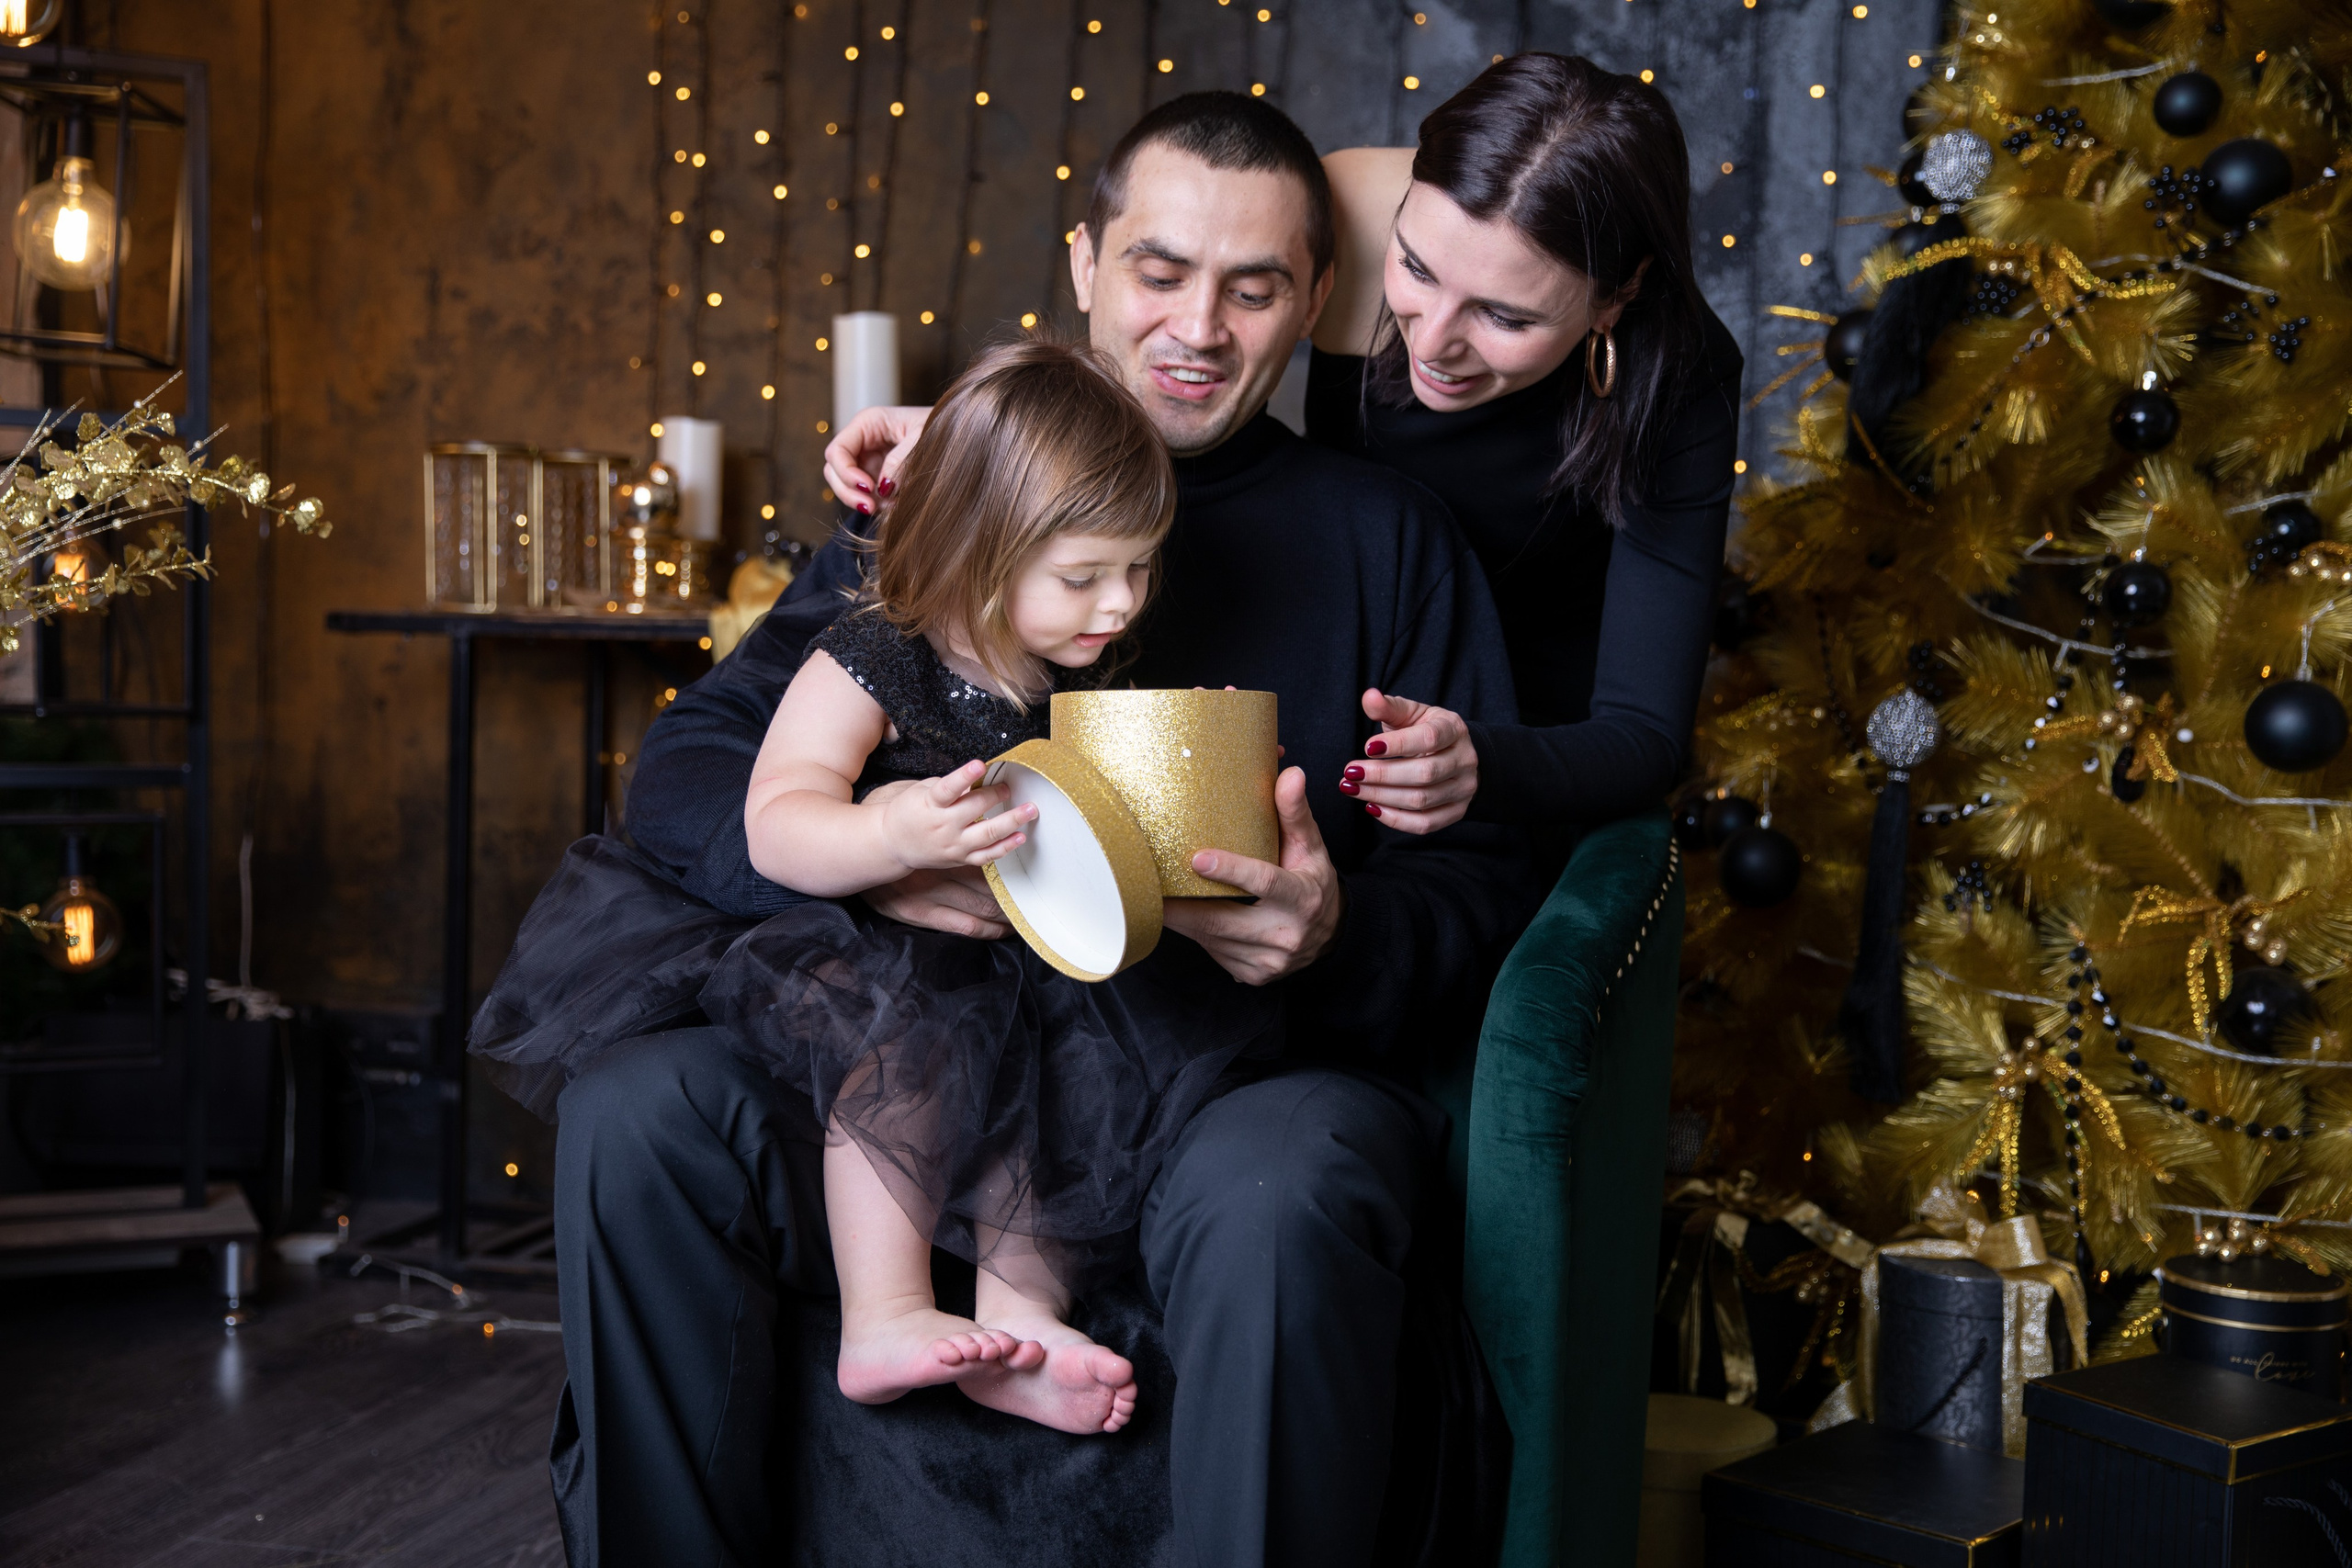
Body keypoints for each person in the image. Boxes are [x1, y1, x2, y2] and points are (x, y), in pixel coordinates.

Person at [476, 90, 1540, 1568]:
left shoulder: (1388, 537)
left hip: (1230, 1068)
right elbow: (699, 766)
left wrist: (1335, 932)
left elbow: (1485, 876)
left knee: (1288, 1186)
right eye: (1161, 272)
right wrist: (884, 867)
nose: (1199, 327)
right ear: (1087, 261)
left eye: (1254, 287)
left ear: (1311, 306)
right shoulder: (947, 497)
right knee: (643, 1110)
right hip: (926, 1052)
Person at [719, 336, 1287, 1437]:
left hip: (1050, 968)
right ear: (978, 550)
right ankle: (883, 1315)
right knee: (910, 1062)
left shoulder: (1087, 665)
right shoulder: (876, 656)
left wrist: (1194, 791)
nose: (1119, 602)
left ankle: (1020, 1331)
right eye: (1083, 577)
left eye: (1140, 565)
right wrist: (888, 829)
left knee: (1070, 1102)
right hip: (909, 961)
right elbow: (774, 819)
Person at [1306, 52, 1743, 847]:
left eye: (1504, 318)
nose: (1432, 342)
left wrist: (1482, 766)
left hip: (1514, 742)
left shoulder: (1682, 372)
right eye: (1414, 267)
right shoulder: (1347, 206)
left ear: (1618, 295)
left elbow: (1644, 733)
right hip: (1318, 682)